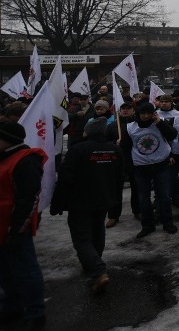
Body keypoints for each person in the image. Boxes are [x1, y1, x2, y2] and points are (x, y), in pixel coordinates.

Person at [50, 117, 124, 293]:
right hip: (104, 199)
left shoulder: (78, 150)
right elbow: (120, 176)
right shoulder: (114, 149)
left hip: (80, 201)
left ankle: (97, 271)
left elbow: (66, 178)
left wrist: (57, 203)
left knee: (82, 238)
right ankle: (93, 263)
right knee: (98, 232)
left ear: (88, 131)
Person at [0, 122, 47, 330]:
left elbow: (28, 199)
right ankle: (12, 306)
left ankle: (36, 312)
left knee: (26, 271)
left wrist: (17, 229)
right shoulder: (4, 157)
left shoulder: (25, 161)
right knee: (5, 271)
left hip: (15, 227)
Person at [128, 102, 178, 238]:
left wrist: (160, 123)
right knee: (144, 199)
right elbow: (126, 147)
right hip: (141, 167)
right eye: (142, 113)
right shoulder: (130, 127)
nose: (145, 116)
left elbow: (173, 135)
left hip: (160, 165)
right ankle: (147, 225)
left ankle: (167, 223)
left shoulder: (159, 124)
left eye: (148, 113)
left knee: (164, 197)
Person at [105, 102, 139, 227]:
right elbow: (105, 143)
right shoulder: (112, 126)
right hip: (117, 162)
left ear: (133, 111)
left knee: (136, 187)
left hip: (134, 160)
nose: (125, 111)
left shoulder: (137, 125)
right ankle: (113, 215)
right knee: (115, 189)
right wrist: (115, 143)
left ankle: (138, 210)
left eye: (128, 108)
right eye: (123, 109)